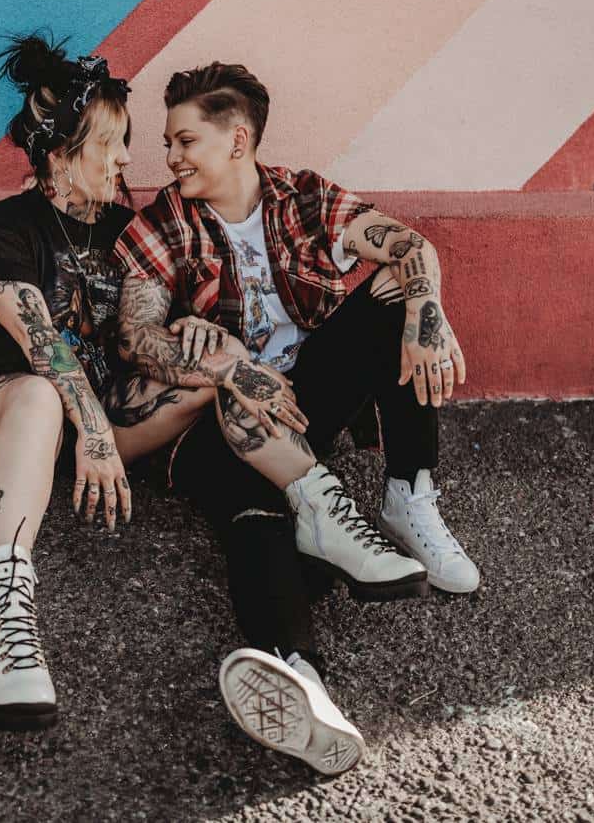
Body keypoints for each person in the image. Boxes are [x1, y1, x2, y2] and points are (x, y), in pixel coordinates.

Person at [112, 62, 479, 774]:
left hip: (302, 401)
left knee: (399, 288)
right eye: (169, 142)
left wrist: (426, 311)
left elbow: (408, 245)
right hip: (215, 426)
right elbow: (135, 336)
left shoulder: (302, 197)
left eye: (186, 140)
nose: (172, 157)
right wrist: (224, 366)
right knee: (257, 513)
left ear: (238, 139)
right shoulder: (163, 224)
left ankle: (409, 496)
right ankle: (299, 677)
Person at [0, 34, 226, 732]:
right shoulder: (2, 229)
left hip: (96, 426)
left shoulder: (127, 229)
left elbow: (154, 327)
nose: (127, 158)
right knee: (43, 394)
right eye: (112, 142)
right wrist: (95, 430)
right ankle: (5, 605)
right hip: (4, 410)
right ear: (61, 152)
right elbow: (43, 346)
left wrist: (201, 336)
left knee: (206, 382)